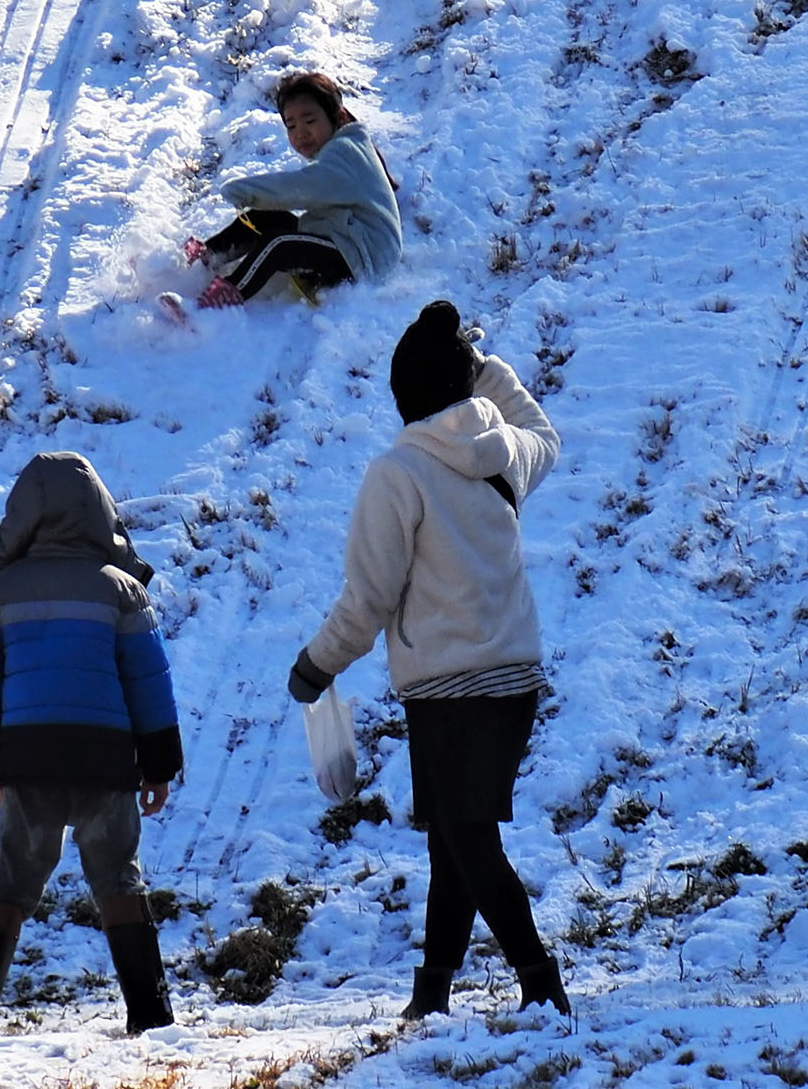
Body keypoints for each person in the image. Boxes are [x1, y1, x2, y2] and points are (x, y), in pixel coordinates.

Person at [286, 301, 569, 1019]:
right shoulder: (501, 456)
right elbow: (544, 433)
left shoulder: (398, 472)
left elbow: (370, 595)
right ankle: (433, 993)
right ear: (466, 385)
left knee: (468, 838)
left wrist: (318, 665)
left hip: (447, 691)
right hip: (513, 683)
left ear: (403, 396)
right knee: (453, 837)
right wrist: (488, 373)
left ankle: (540, 984)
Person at [0, 452, 184, 1038]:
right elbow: (150, 685)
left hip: (29, 762)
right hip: (105, 762)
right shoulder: (122, 590)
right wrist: (159, 767)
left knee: (10, 881)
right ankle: (151, 1017)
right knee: (118, 880)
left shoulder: (4, 591)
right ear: (99, 513)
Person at [187, 72, 402, 307]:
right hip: (346, 239)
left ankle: (221, 299)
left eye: (310, 121)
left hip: (362, 257)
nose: (301, 132)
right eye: (291, 125)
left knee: (279, 244)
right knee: (263, 218)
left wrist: (247, 190)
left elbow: (302, 188)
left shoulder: (345, 150)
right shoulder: (345, 147)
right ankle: (206, 257)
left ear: (338, 117)